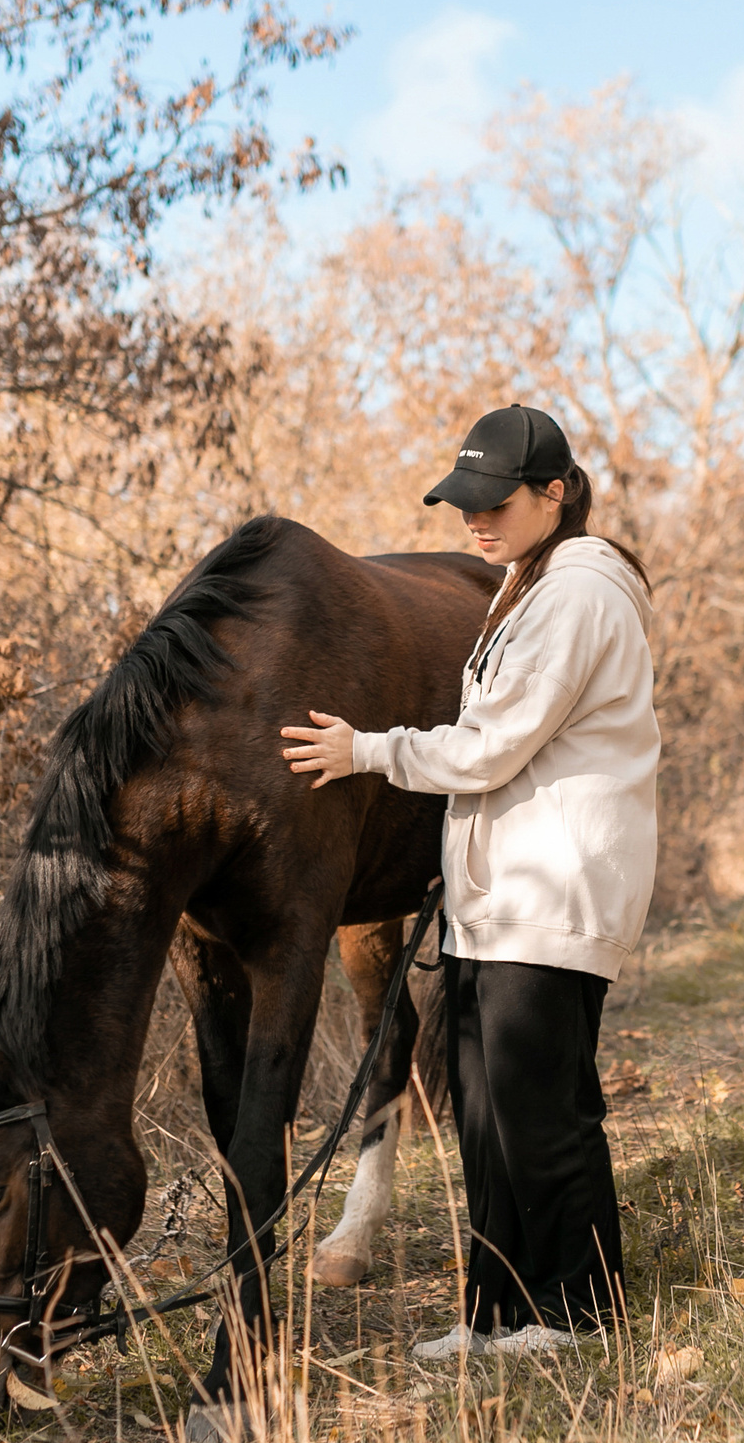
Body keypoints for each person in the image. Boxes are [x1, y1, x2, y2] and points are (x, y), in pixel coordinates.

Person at [280, 403, 660, 1357]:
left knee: (543, 1110)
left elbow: (490, 747)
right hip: (504, 892)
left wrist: (365, 750)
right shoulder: (525, 587)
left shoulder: (578, 595)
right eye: (464, 505)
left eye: (495, 502)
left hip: (555, 887)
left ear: (555, 493)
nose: (475, 522)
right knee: (485, 1112)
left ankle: (578, 1316)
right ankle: (493, 1318)